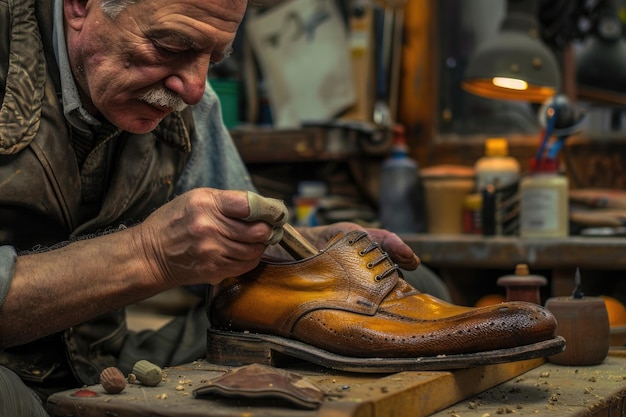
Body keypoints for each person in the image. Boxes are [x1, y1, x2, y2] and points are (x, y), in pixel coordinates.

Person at [0, 0, 450, 414]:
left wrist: (300, 252)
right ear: (81, 6)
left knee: (413, 280)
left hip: (105, 357)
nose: (194, 89)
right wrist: (151, 254)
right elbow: (158, 252)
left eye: (212, 59)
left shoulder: (187, 107)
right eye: (171, 45)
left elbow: (241, 251)